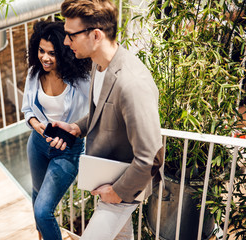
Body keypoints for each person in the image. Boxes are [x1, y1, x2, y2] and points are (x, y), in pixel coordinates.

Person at [48, 0, 164, 239]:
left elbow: (151, 156)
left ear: (96, 35)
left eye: (71, 35)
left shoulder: (132, 84)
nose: (66, 42)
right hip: (106, 179)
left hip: (122, 183)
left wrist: (118, 192)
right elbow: (103, 111)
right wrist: (77, 127)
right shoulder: (99, 64)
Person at [21, 20, 91, 240]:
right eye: (41, 51)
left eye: (52, 53)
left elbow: (96, 114)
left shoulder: (82, 80)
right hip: (38, 144)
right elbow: (27, 110)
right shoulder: (35, 73)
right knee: (36, 193)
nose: (45, 58)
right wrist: (36, 126)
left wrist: (74, 132)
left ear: (64, 53)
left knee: (43, 211)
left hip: (67, 150)